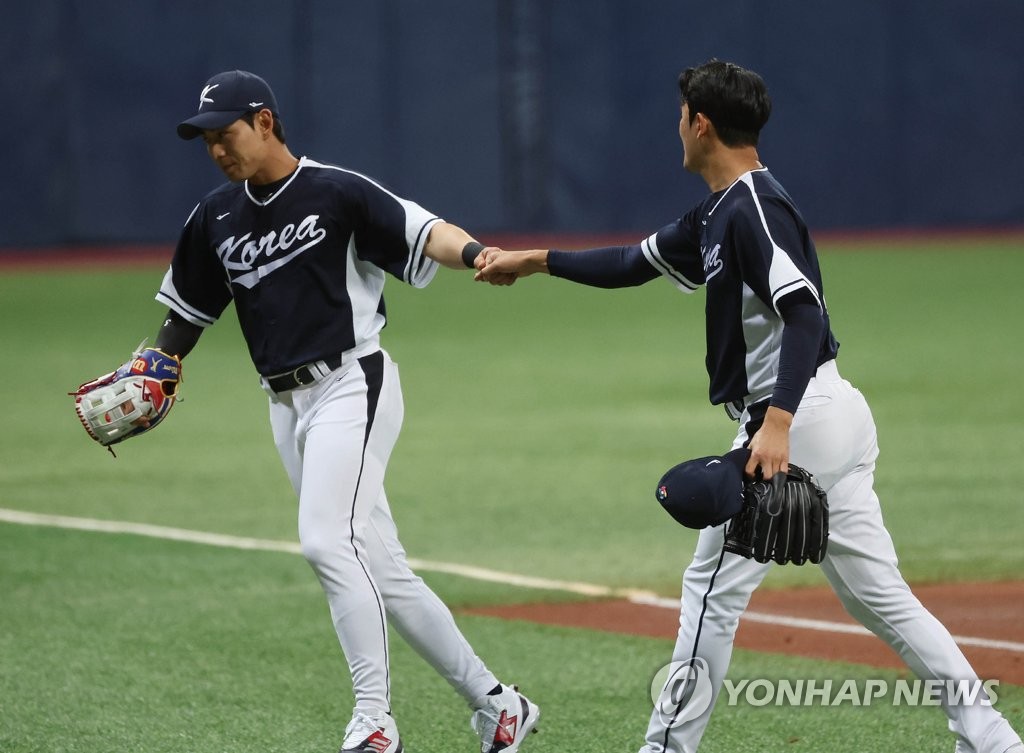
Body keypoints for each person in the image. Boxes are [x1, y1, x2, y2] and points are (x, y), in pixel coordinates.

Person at [475, 60, 1023, 753]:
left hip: (796, 417)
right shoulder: (720, 209)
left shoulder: (752, 208)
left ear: (701, 124)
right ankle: (991, 736)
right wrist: (536, 260)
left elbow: (801, 312)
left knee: (710, 590)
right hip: (826, 410)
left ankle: (665, 747)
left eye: (681, 116)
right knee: (878, 595)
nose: (676, 126)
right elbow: (630, 262)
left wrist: (777, 424)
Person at [155, 69, 538, 753]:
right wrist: (157, 365)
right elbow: (187, 313)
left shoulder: (335, 190)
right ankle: (499, 704)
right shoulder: (214, 216)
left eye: (226, 132)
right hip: (284, 404)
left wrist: (479, 254)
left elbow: (425, 232)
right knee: (380, 567)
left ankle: (374, 721)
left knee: (327, 542)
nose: (216, 148)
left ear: (265, 121)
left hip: (351, 383)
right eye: (206, 138)